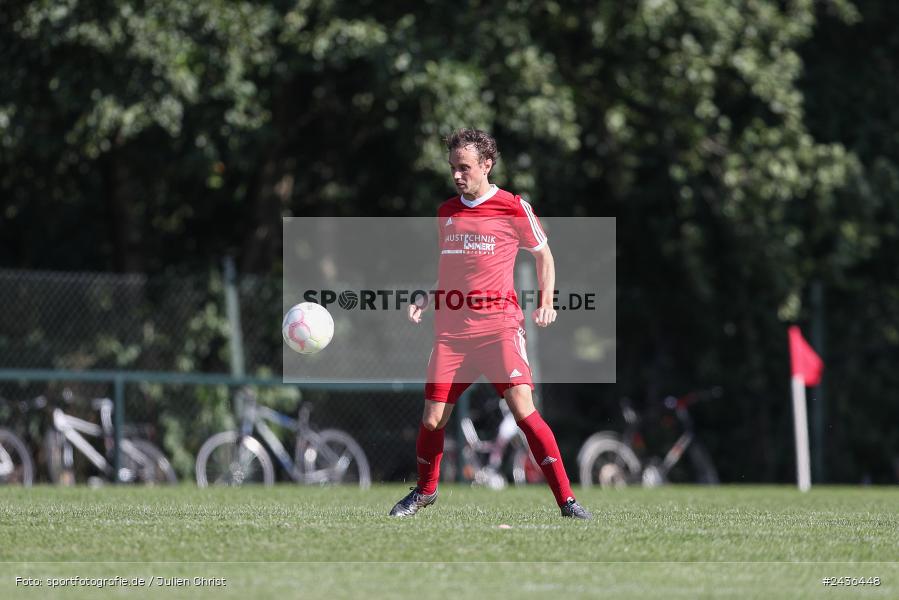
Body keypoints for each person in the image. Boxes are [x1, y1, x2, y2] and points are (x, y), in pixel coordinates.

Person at [389, 129, 591, 519]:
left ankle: (567, 501)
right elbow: (451, 272)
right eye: (453, 167)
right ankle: (426, 492)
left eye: (464, 167)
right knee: (432, 418)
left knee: (523, 411)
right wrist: (427, 297)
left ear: (486, 164)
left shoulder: (513, 207)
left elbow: (544, 256)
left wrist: (546, 302)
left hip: (499, 329)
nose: (457, 175)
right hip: (453, 333)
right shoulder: (446, 213)